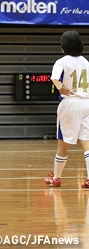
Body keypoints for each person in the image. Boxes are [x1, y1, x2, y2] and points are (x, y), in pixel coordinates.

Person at [44, 30, 89, 188]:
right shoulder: (86, 62)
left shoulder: (62, 61)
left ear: (64, 46)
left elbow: (54, 78)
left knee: (63, 144)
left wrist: (61, 87)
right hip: (87, 103)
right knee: (87, 144)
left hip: (70, 103)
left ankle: (56, 178)